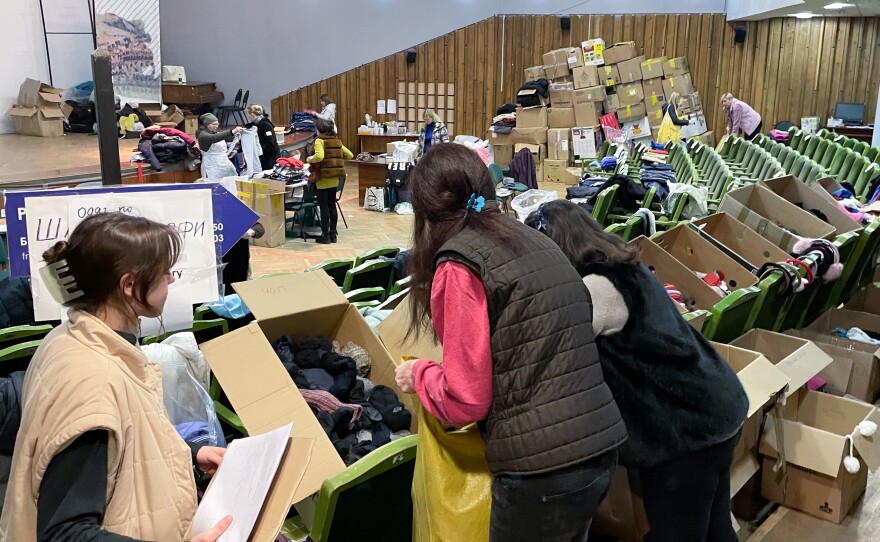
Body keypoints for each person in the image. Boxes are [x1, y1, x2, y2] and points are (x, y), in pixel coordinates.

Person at [393, 144, 626, 541]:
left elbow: (466, 400)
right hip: (598, 447)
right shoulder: (532, 239)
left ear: (425, 210)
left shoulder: (459, 263)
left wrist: (420, 374)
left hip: (543, 471)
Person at [525, 200, 749, 542]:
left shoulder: (593, 290)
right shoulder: (625, 265)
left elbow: (550, 348)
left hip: (684, 434)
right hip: (717, 406)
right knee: (716, 528)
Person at [0, 213, 232, 542]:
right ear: (129, 285)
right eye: (163, 273)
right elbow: (65, 534)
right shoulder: (92, 379)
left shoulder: (75, 337)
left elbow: (122, 440)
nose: (170, 279)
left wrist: (188, 453)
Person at [306, 118, 354, 244]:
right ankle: (333, 234)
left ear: (319, 130)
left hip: (323, 177)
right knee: (332, 205)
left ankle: (325, 235)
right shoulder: (337, 141)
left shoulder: (319, 141)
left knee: (324, 208)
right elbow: (350, 155)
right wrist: (335, 159)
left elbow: (319, 157)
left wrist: (309, 159)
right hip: (334, 178)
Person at [197, 113, 242, 179]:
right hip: (211, 165)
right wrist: (232, 131)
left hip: (224, 163)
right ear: (207, 125)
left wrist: (239, 134)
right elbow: (214, 138)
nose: (216, 126)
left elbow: (228, 137)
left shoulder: (217, 133)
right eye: (214, 124)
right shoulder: (203, 135)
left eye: (217, 124)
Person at [245, 104, 281, 171]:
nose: (248, 116)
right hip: (263, 156)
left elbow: (270, 143)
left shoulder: (266, 125)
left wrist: (258, 150)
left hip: (270, 158)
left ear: (252, 114)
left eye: (248, 114)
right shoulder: (255, 124)